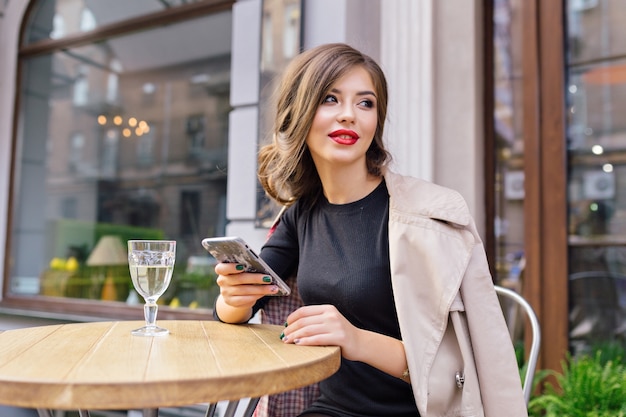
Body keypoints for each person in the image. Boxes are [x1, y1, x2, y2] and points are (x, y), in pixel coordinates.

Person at [214, 43, 527, 417]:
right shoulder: (302, 215)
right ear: (298, 112)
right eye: (330, 99)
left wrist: (355, 340)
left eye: (365, 103)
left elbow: (454, 371)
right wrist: (233, 298)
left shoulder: (428, 216)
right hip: (332, 409)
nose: (349, 115)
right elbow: (248, 304)